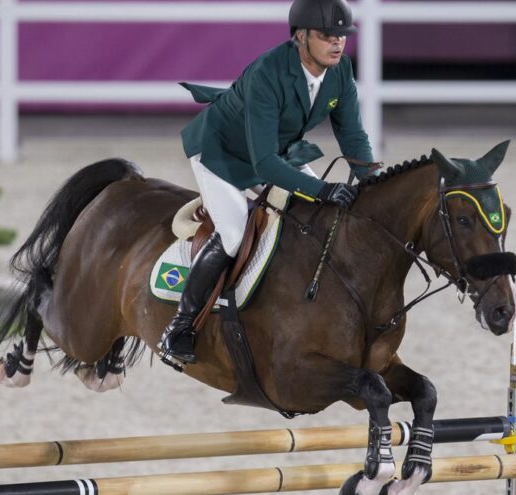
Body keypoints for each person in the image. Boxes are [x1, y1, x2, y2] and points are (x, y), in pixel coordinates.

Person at [160, 0, 374, 365]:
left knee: (312, 221)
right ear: (301, 37)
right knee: (232, 232)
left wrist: (371, 180)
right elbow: (264, 164)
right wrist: (322, 190)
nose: (338, 43)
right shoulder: (267, 73)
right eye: (327, 36)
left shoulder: (340, 70)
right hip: (222, 152)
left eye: (341, 35)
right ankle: (180, 327)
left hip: (276, 152)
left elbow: (352, 136)